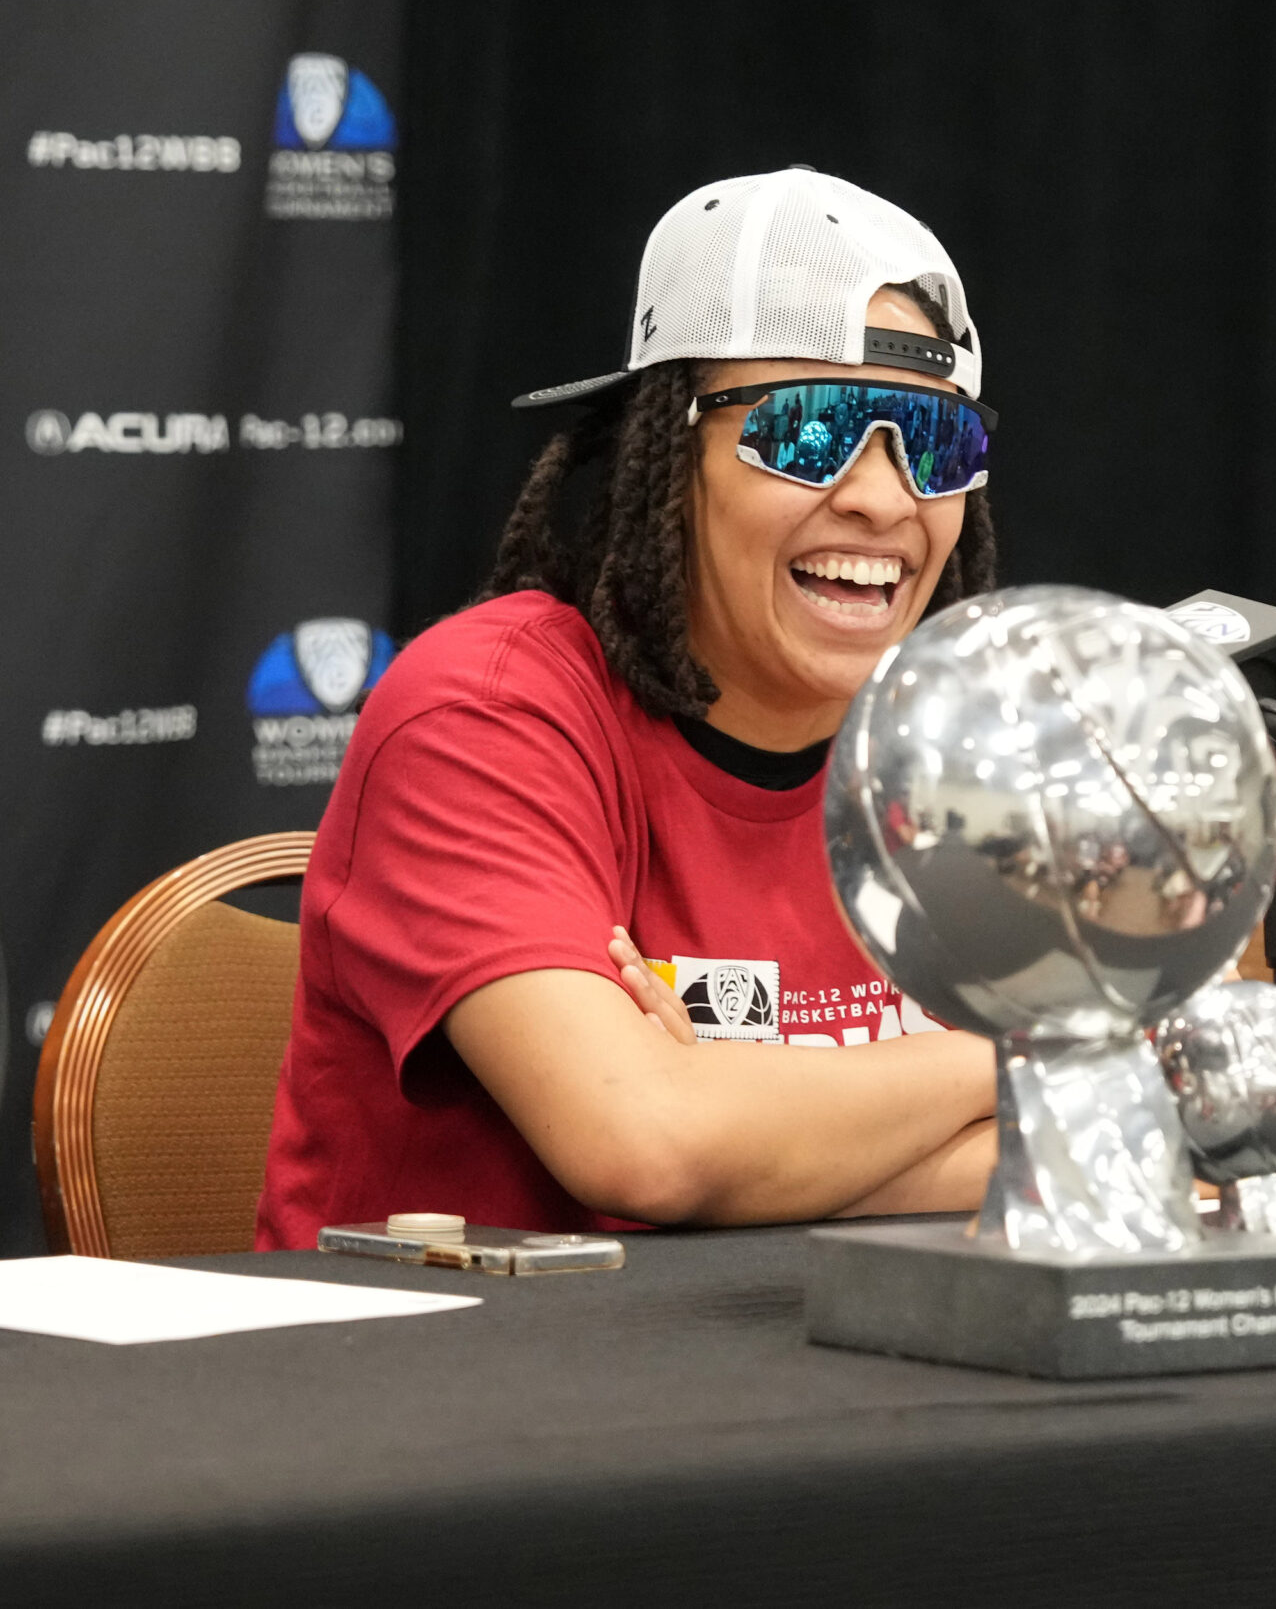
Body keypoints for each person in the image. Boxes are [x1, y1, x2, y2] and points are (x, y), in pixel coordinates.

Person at [257, 169, 1006, 1246]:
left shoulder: (961, 747)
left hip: (832, 1336)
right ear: (665, 451)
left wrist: (739, 1121)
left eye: (937, 445)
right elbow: (645, 1143)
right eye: (809, 431)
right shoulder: (483, 713)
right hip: (463, 1346)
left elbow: (1146, 1133)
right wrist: (1031, 1055)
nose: (884, 498)